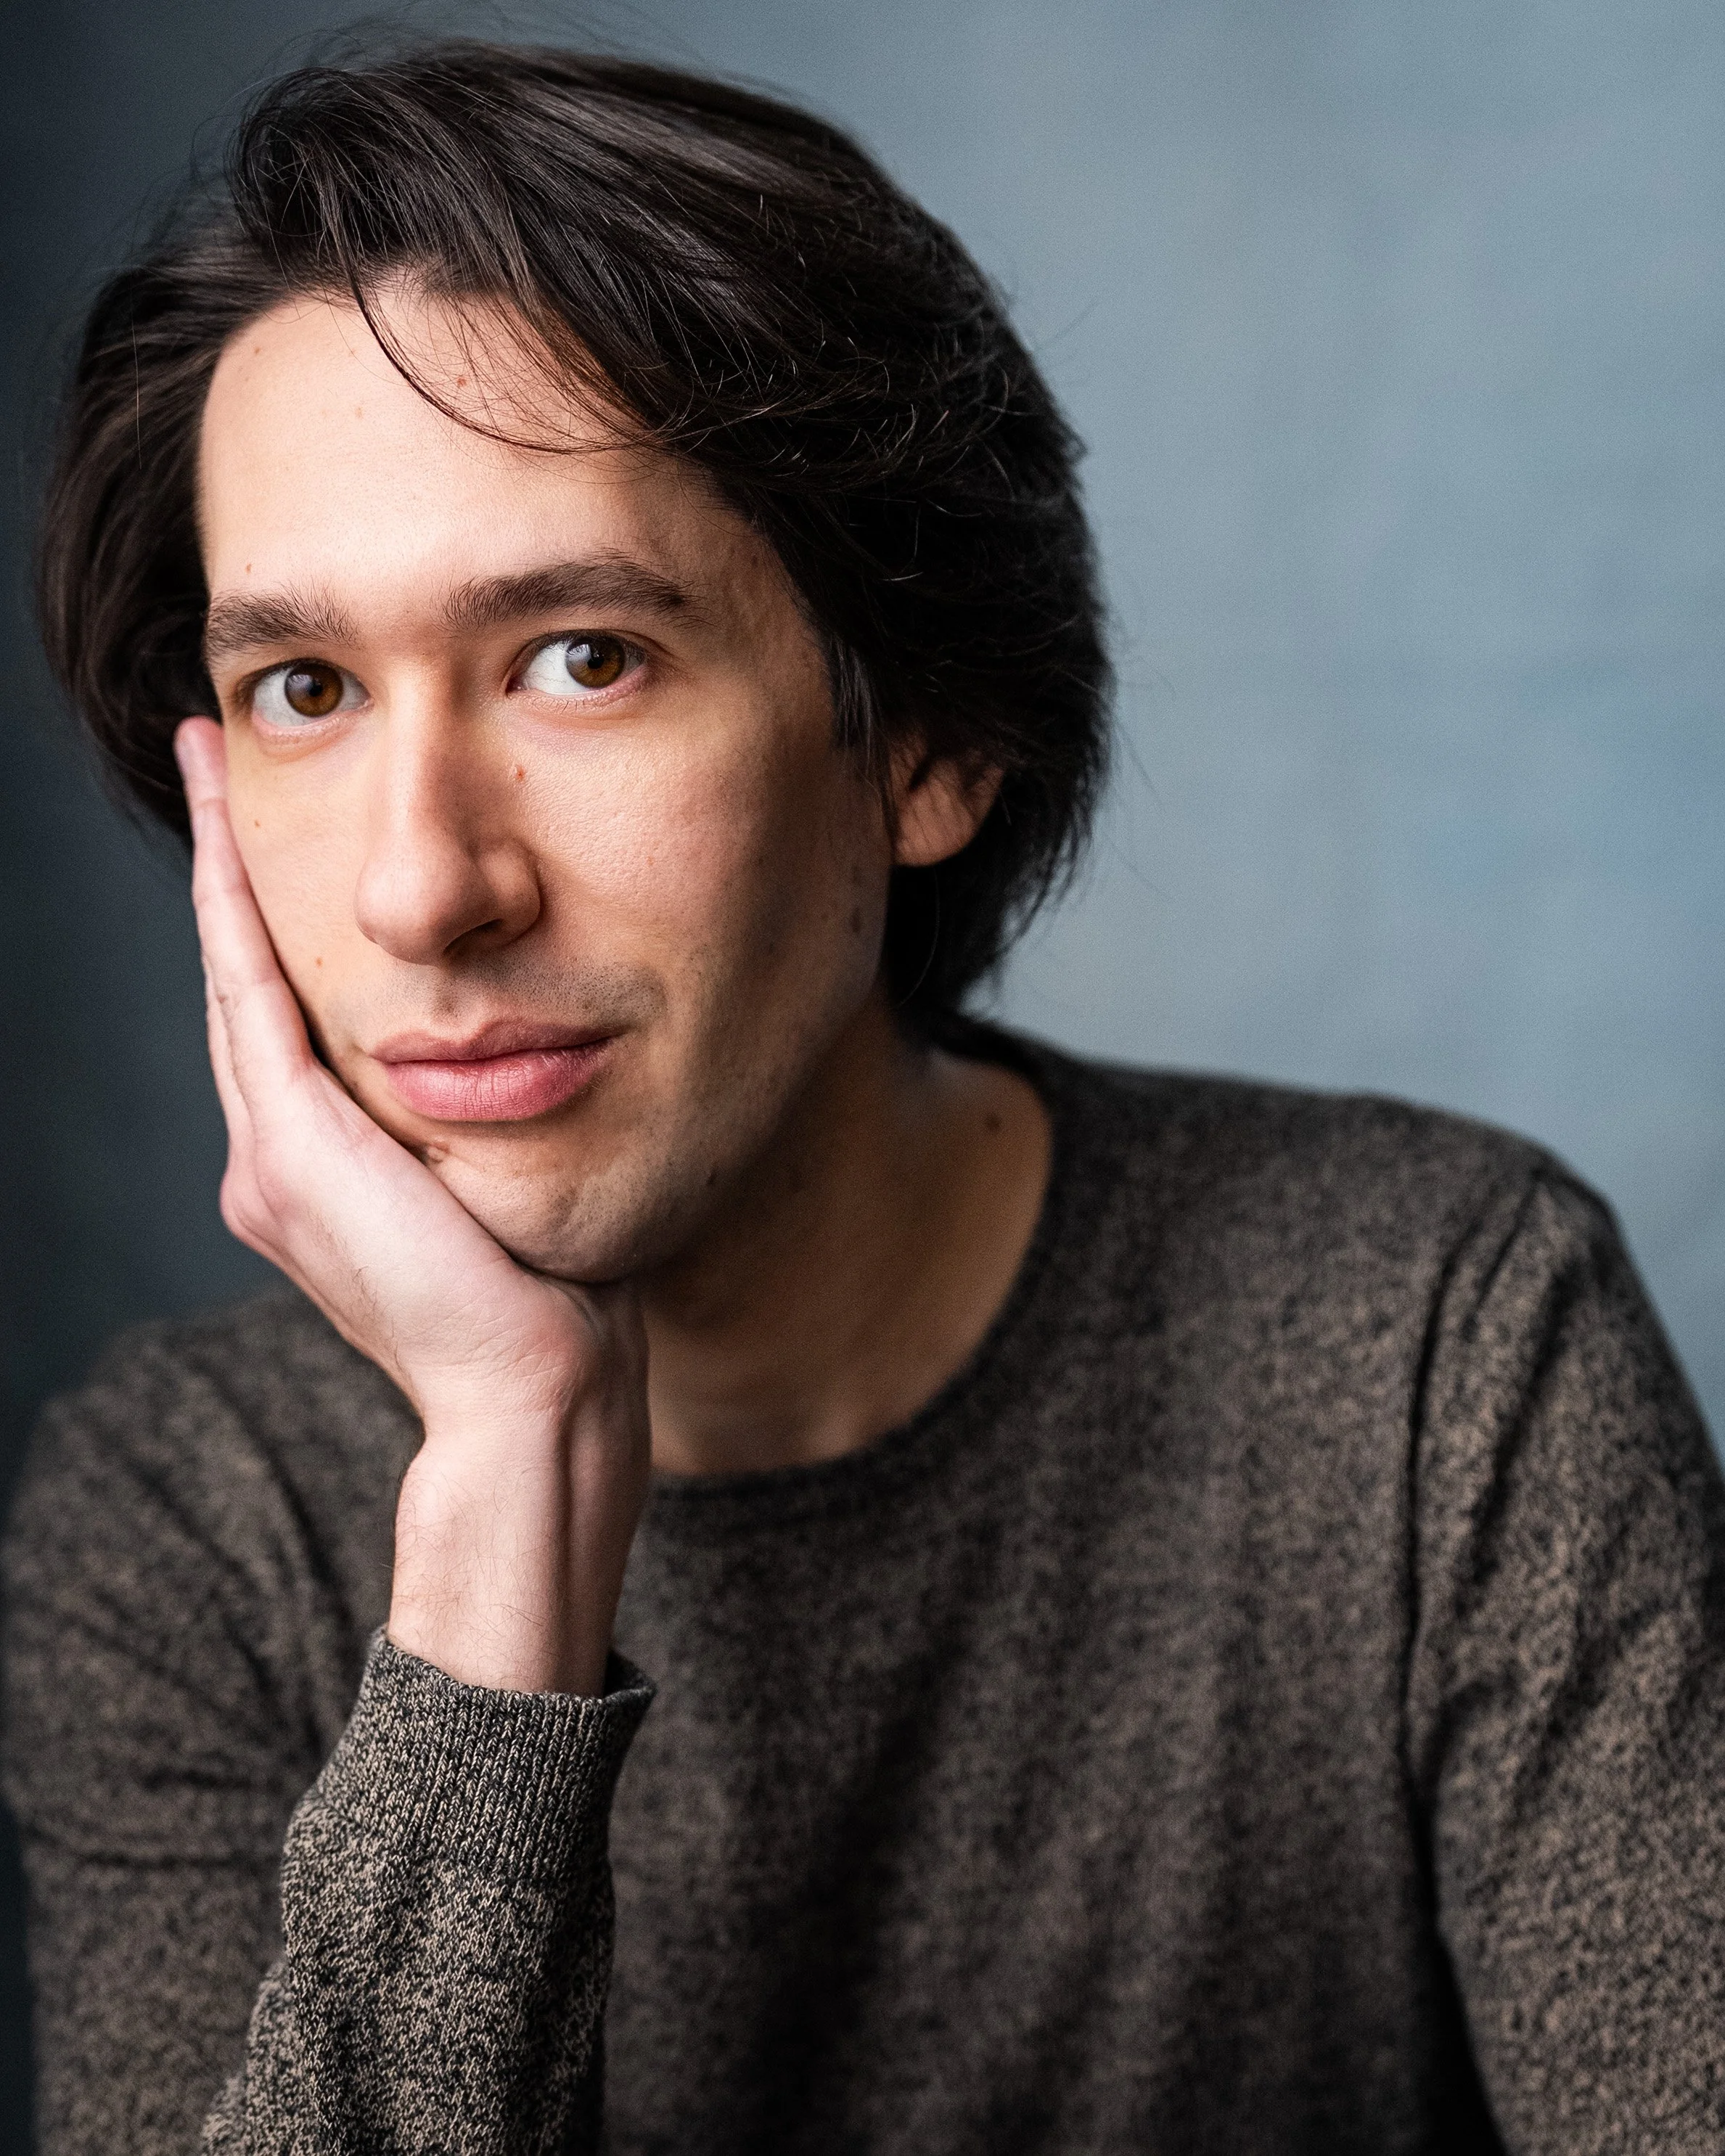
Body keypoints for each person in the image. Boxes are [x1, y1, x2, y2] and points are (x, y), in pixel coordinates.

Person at [4, 38, 1721, 2156]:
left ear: (926, 745)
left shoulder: (1432, 1342)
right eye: (304, 691)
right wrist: (509, 1500)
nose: (421, 881)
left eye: (581, 656)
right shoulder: (187, 1525)